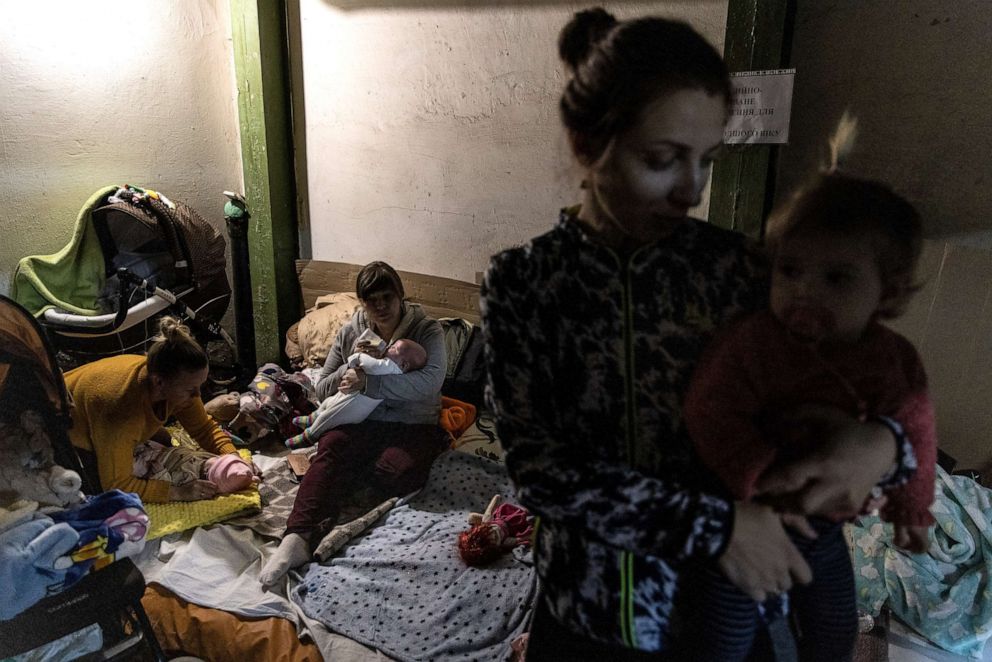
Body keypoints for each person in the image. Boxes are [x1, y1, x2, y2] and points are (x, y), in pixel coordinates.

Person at [480, 8, 918, 659]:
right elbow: (540, 471)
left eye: (708, 161)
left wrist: (884, 445)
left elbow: (864, 373)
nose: (691, 190)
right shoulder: (525, 282)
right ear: (584, 143)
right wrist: (717, 527)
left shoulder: (740, 271)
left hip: (720, 616)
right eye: (662, 159)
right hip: (586, 615)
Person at [684, 115, 936, 660]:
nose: (803, 291)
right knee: (723, 639)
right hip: (746, 521)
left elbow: (917, 423)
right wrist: (759, 473)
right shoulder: (754, 342)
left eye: (836, 278)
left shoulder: (892, 359)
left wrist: (912, 504)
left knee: (835, 626)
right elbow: (710, 408)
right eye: (790, 270)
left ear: (887, 295)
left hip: (823, 532)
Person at [260, 261, 448, 588]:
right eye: (371, 300)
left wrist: (370, 386)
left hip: (413, 423)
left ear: (401, 295)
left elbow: (429, 383)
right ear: (362, 301)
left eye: (387, 297)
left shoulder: (427, 331)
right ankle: (296, 537)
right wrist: (348, 376)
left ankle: (348, 475)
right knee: (331, 446)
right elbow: (322, 386)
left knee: (395, 472)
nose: (380, 306)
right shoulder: (352, 332)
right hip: (364, 420)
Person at [65, 316, 254, 502]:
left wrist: (235, 458)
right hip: (63, 430)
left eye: (200, 387)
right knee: (93, 491)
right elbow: (116, 484)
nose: (197, 396)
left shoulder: (171, 381)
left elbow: (203, 429)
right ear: (158, 382)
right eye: (190, 390)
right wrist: (176, 493)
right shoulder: (124, 410)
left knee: (162, 439)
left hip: (104, 415)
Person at [284, 337, 428, 449]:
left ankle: (309, 436)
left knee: (330, 416)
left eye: (395, 348)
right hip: (351, 396)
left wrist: (358, 356)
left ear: (403, 364)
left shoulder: (392, 368)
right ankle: (312, 418)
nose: (389, 347)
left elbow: (371, 365)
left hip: (353, 407)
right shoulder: (392, 366)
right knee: (329, 402)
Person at [132, 440, 258, 494]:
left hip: (151, 464)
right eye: (217, 458)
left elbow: (169, 483)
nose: (212, 459)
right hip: (160, 450)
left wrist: (160, 473)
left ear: (209, 474)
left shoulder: (190, 478)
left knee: (135, 467)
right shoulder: (207, 458)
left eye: (214, 463)